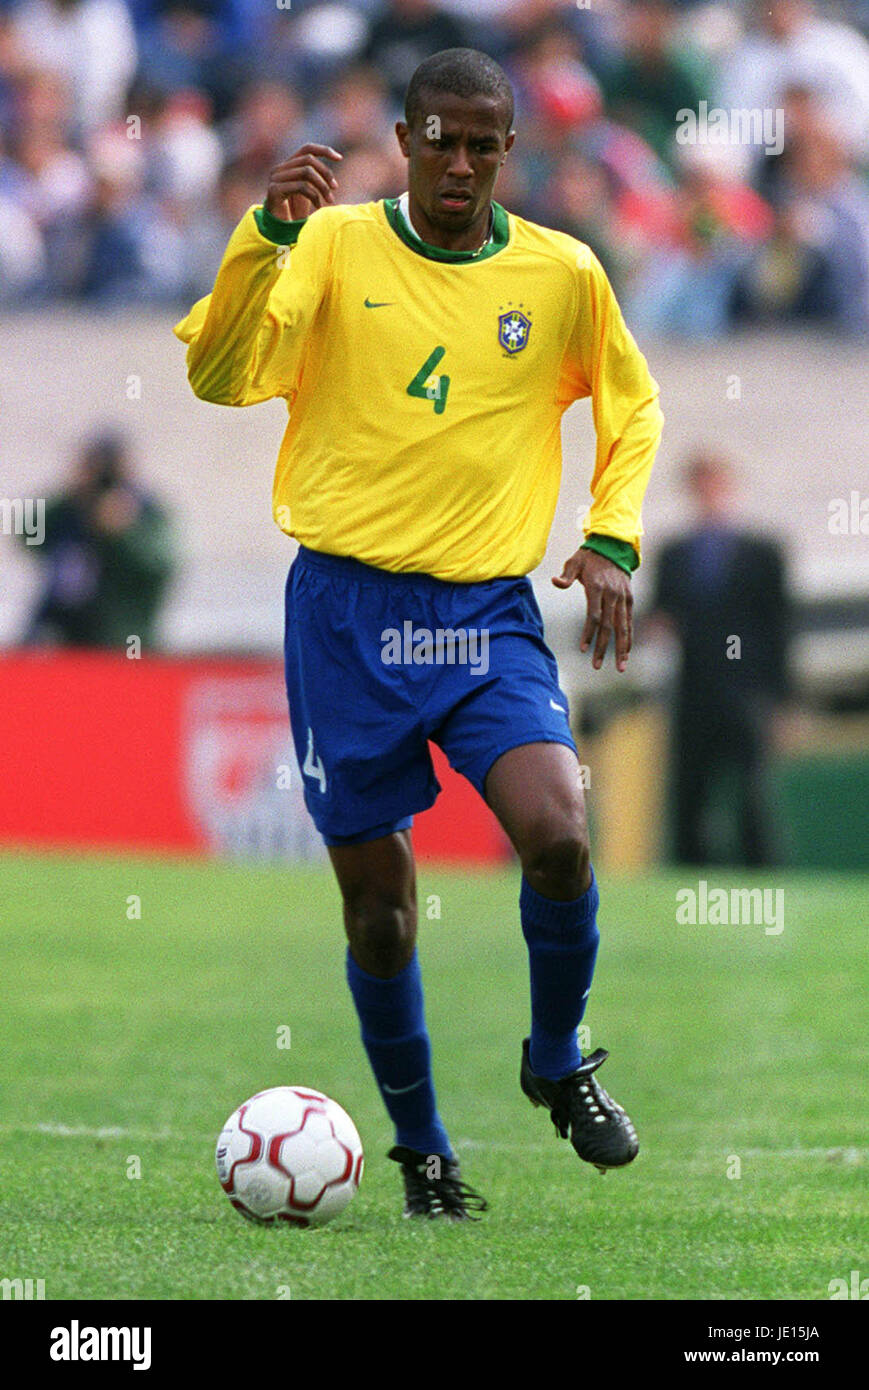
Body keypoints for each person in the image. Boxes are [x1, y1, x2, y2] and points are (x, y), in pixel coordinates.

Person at [175, 48, 663, 1220]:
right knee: (379, 906)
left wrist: (610, 535)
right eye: (436, 138)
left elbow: (631, 405)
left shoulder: (561, 274)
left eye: (480, 143)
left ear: (509, 148)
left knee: (557, 832)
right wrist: (264, 241)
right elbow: (221, 375)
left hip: (484, 615)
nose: (457, 161)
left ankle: (556, 1058)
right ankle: (421, 1147)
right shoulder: (334, 245)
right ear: (401, 139)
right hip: (345, 613)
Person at [650, 452, 790, 866]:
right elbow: (661, 614)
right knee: (690, 791)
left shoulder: (763, 552)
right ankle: (691, 876)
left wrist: (780, 698)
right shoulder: (674, 554)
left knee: (751, 791)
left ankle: (761, 871)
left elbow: (779, 628)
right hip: (693, 692)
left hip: (746, 692)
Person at [22, 430, 174, 649]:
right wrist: (74, 494)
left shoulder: (146, 511)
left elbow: (160, 563)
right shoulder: (69, 508)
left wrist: (124, 532)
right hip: (64, 635)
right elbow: (27, 533)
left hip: (123, 638)